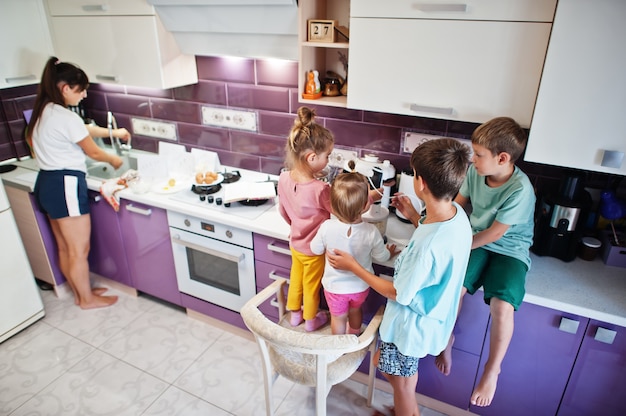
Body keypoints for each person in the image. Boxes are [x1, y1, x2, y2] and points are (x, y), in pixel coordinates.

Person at [327, 138, 472, 416]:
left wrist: (354, 266)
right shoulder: (456, 217)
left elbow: (399, 293)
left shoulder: (428, 246)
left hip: (410, 327)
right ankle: (403, 407)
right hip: (433, 317)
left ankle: (407, 410)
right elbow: (435, 240)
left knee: (403, 386)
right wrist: (415, 216)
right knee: (390, 366)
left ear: (420, 183)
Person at [432, 117, 536, 408]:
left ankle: (492, 370)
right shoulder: (476, 173)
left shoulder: (520, 190)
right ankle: (447, 339)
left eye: (478, 155)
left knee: (502, 307)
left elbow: (495, 234)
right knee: (455, 289)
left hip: (509, 249)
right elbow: (458, 204)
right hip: (477, 238)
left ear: (502, 158)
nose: (473, 159)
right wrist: (434, 225)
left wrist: (458, 244)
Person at [27, 57, 131, 309]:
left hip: (46, 183)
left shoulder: (44, 111)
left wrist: (113, 133)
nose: (84, 95)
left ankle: (79, 293)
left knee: (64, 247)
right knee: (78, 249)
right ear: (65, 88)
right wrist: (114, 160)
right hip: (65, 185)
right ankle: (87, 299)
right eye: (80, 89)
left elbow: (83, 130)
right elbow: (93, 152)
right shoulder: (64, 116)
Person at [310, 163, 398, 335]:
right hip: (360, 287)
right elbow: (381, 257)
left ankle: (340, 348)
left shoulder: (327, 227)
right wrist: (390, 252)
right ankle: (354, 336)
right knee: (356, 311)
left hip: (334, 288)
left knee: (338, 318)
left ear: (333, 207)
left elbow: (315, 250)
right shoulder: (371, 232)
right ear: (366, 205)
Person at [277, 106, 334, 332]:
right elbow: (338, 213)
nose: (328, 161)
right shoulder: (321, 189)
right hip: (313, 250)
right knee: (311, 286)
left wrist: (296, 227)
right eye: (327, 156)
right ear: (311, 157)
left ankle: (294, 315)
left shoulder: (283, 178)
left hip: (295, 243)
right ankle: (311, 320)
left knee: (296, 278)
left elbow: (283, 211)